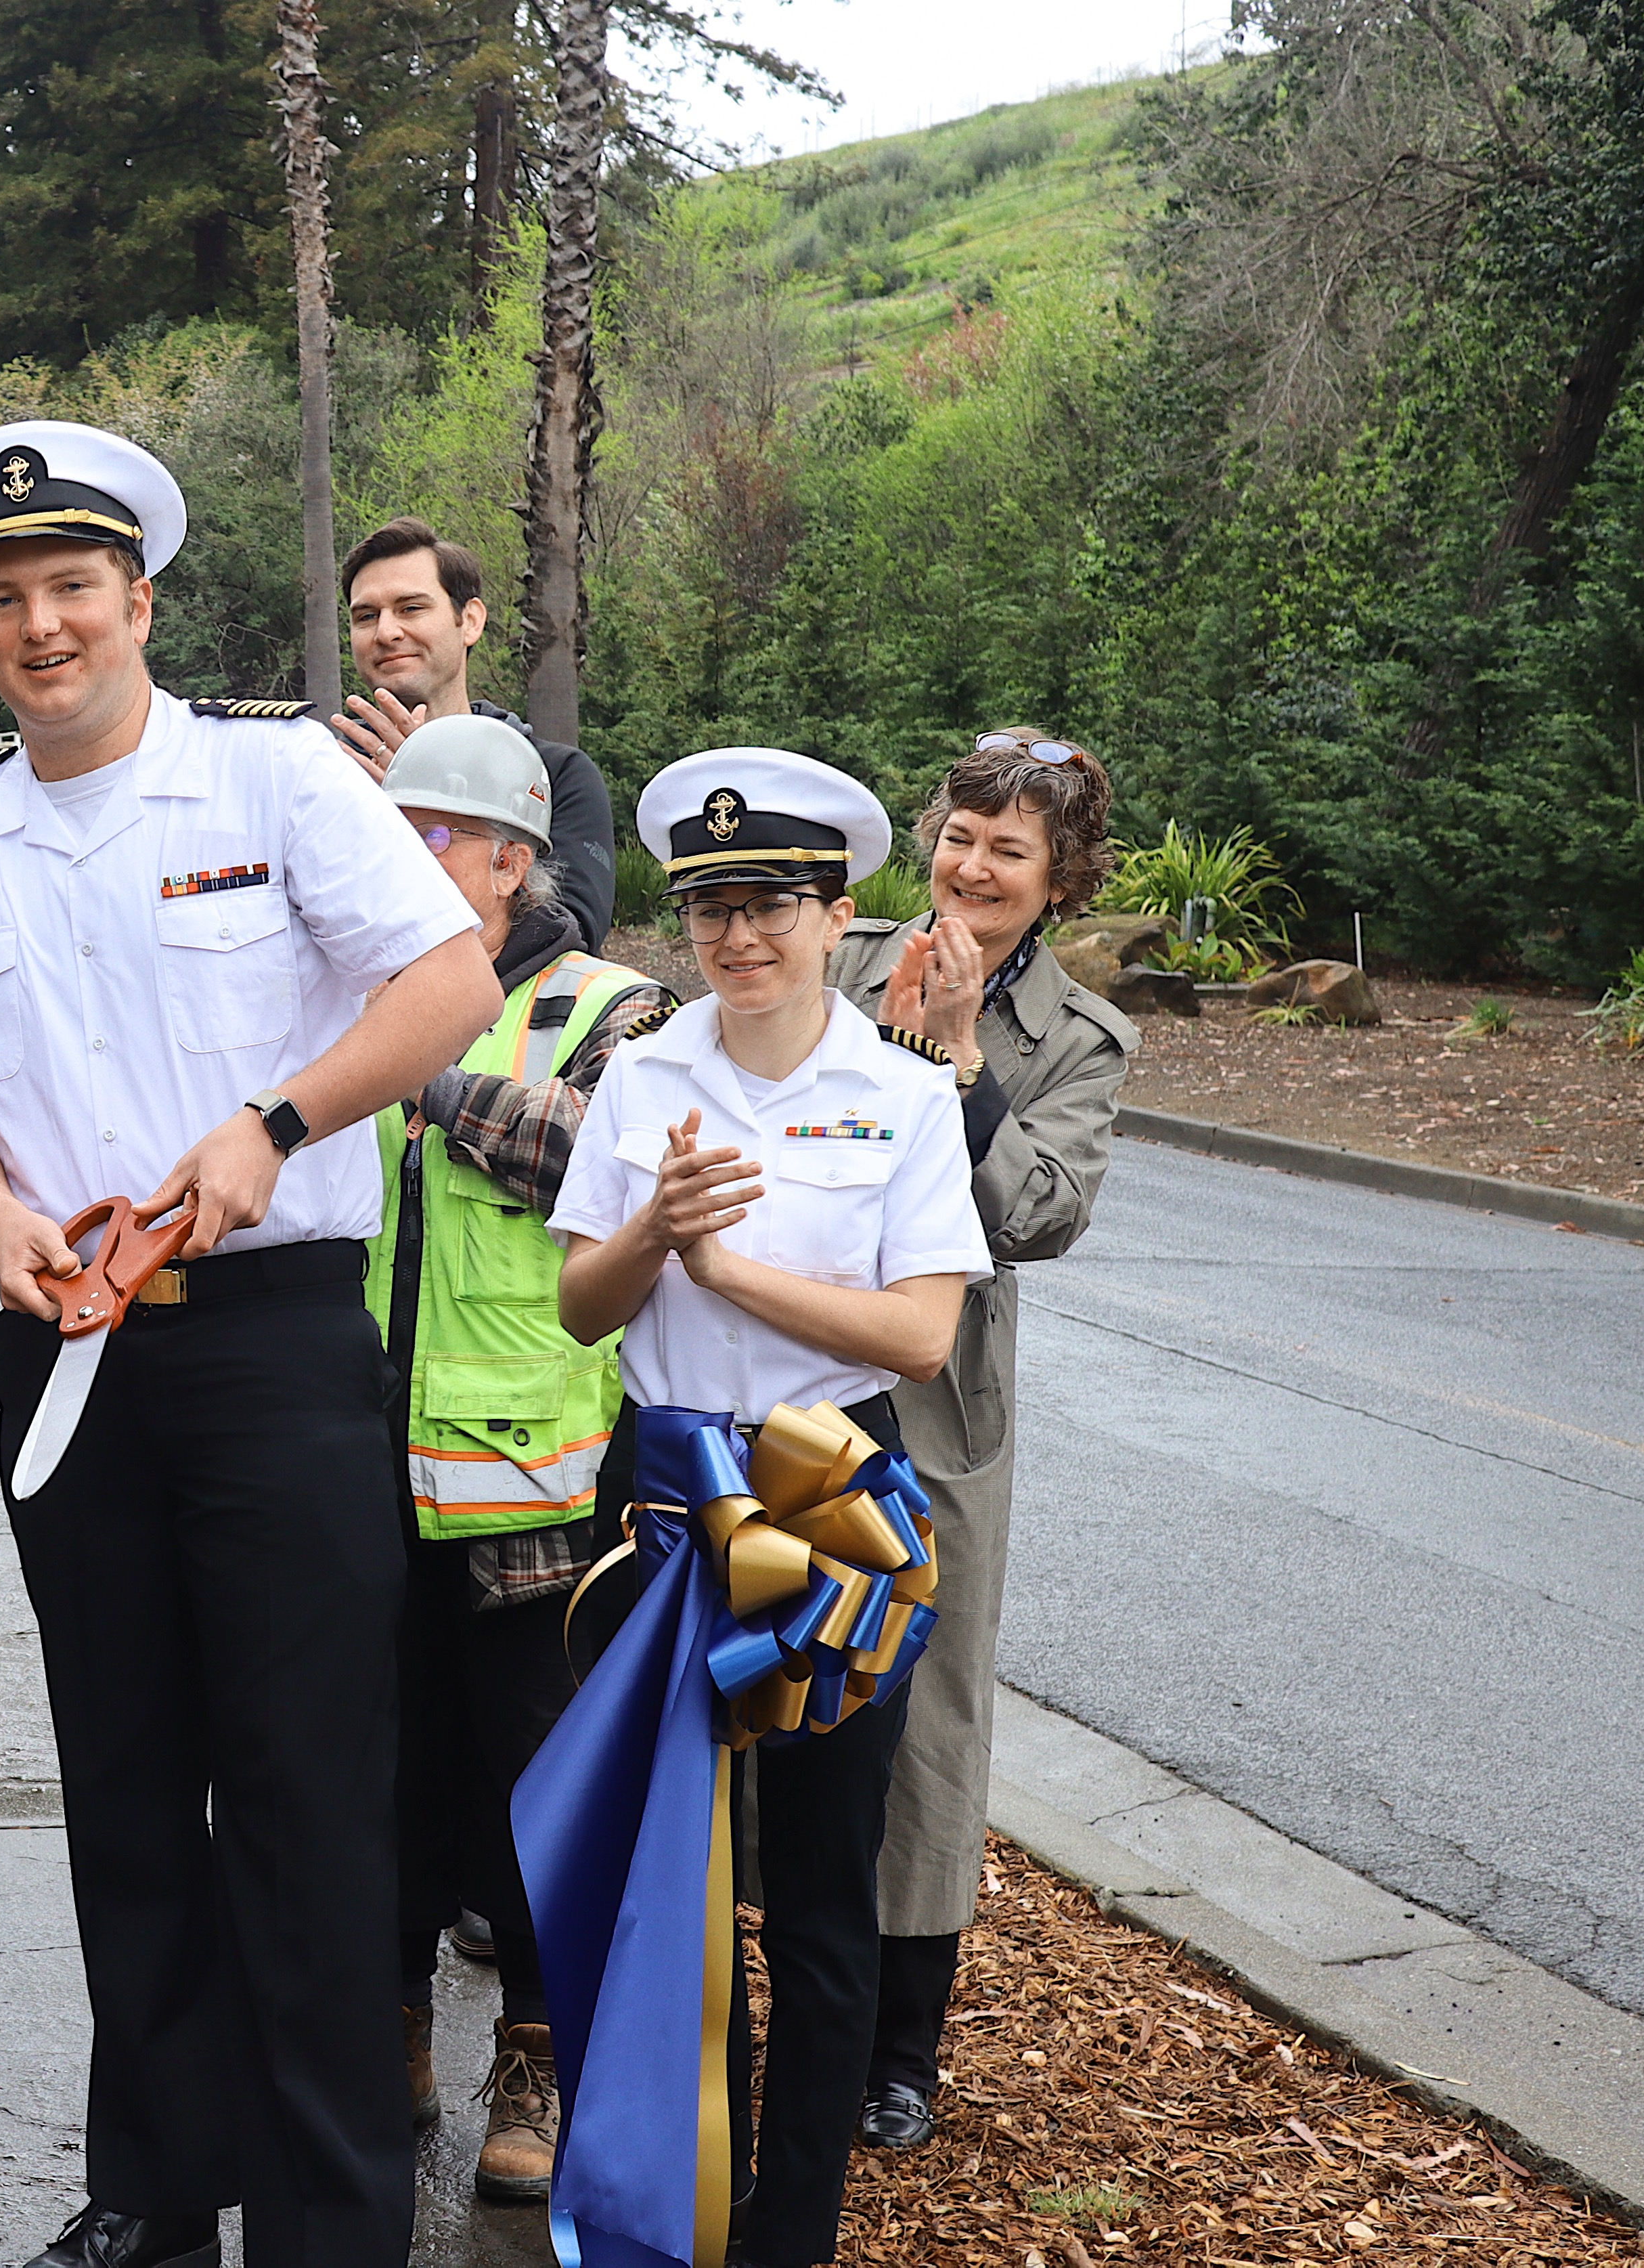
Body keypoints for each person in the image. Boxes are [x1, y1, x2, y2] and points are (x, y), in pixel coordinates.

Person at [0, 419, 500, 2268]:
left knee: (307, 1790)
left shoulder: (278, 784)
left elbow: (451, 979)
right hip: (72, 1351)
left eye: (73, 587)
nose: (41, 625)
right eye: (6, 601)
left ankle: (327, 2216)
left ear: (137, 599)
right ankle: (155, 2180)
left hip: (272, 1345)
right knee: (128, 1780)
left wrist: (276, 1128)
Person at [546, 747, 994, 2268]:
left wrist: (730, 1271)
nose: (739, 938)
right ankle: (670, 2203)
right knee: (664, 1875)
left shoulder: (901, 1094)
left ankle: (789, 2227)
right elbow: (577, 1306)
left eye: (773, 906)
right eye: (712, 909)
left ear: (838, 908)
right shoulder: (646, 1072)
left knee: (816, 1891)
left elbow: (922, 1334)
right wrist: (654, 1236)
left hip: (832, 1508)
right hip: (668, 1502)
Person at [355, 714, 668, 2209]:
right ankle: (399, 2025)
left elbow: (595, 1157)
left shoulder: (612, 1003)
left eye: (432, 839)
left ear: (512, 859)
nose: (405, 865)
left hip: (535, 1486)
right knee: (390, 1777)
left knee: (535, 1790)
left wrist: (406, 1066)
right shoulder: (354, 983)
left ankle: (536, 2057)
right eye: (389, 835)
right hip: (361, 1463)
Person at [824, 728, 1135, 2154]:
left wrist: (955, 1061)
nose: (973, 866)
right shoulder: (837, 955)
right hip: (783, 1363)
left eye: (1011, 849)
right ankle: (768, 2002)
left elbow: (1042, 1214)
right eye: (961, 835)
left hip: (942, 1407)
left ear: (1059, 878)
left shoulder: (1080, 1037)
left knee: (928, 1716)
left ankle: (900, 2048)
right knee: (771, 1690)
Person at [319, 517, 619, 951]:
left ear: (471, 621)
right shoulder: (322, 778)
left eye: (411, 608)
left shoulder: (559, 776)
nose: (386, 632)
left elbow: (569, 934)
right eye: (367, 616)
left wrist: (430, 798)